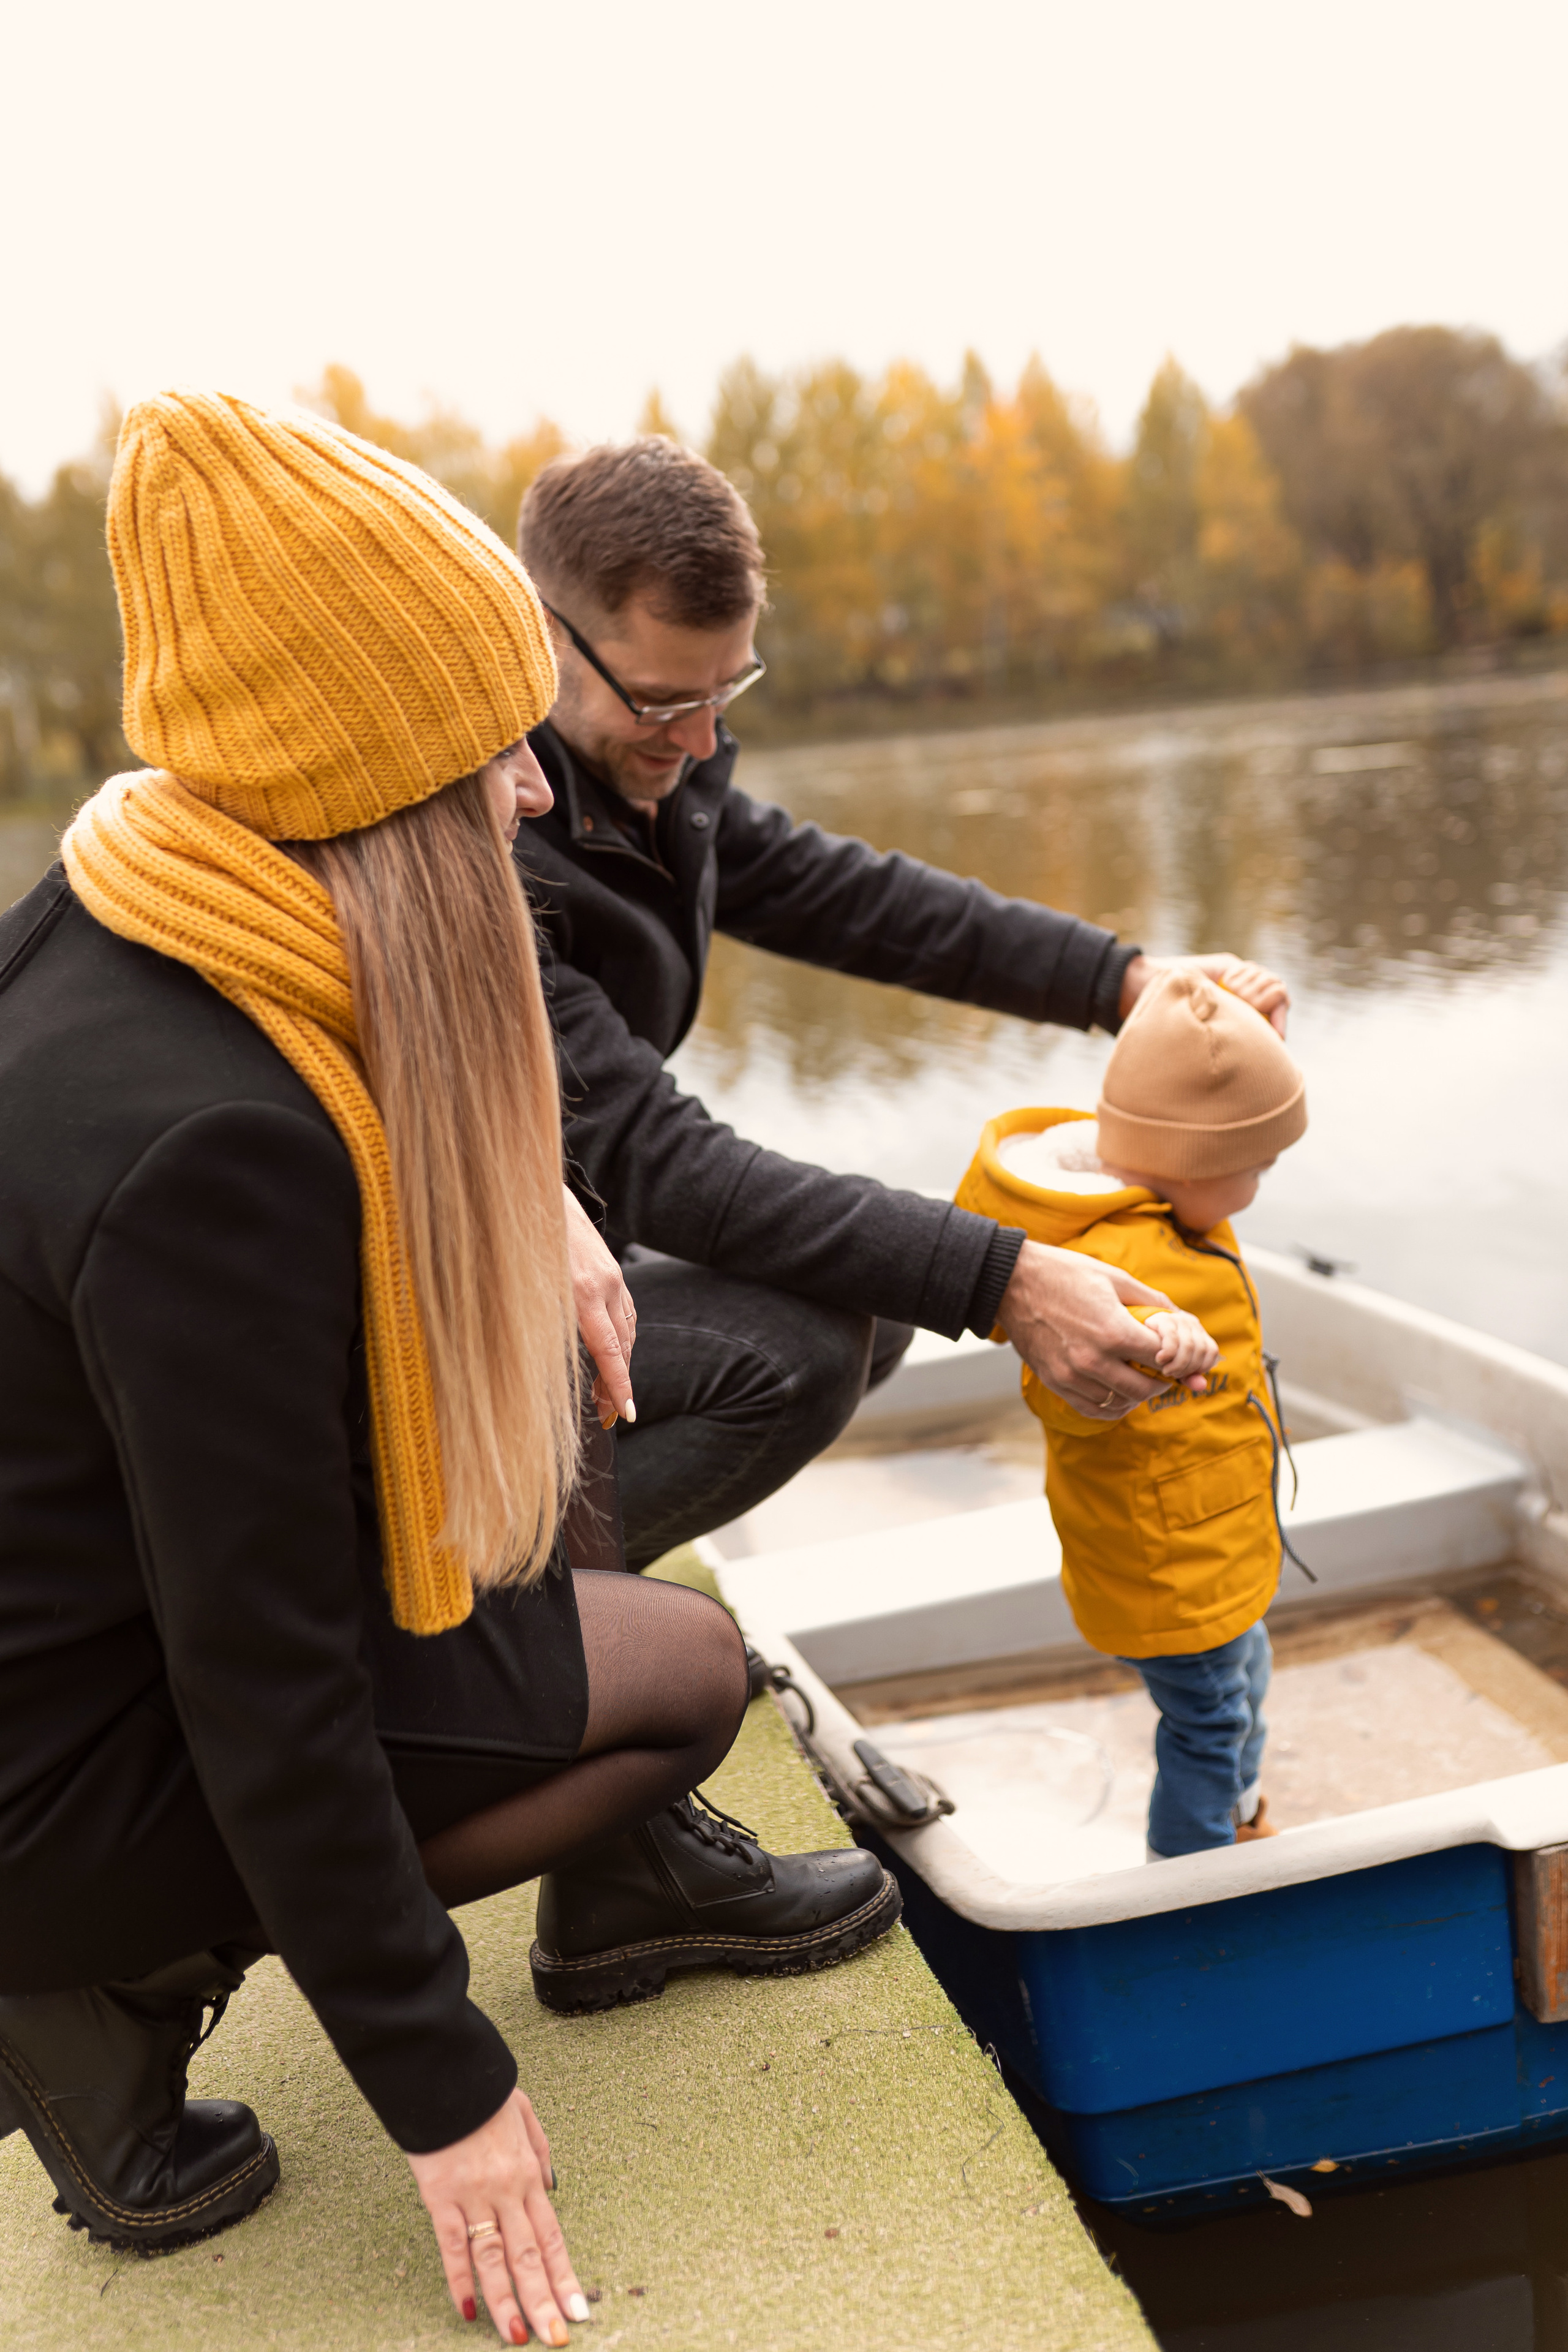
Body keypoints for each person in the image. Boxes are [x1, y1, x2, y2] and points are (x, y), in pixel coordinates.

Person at [0, 393, 896, 2331]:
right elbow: (262, 1671)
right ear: (359, 768)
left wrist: (533, 1204)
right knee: (684, 1680)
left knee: (558, 1418)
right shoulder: (203, 1146)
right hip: (52, 1780)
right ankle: (107, 1984)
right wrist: (444, 2083)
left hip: (72, 1656)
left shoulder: (138, 907)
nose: (530, 792)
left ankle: (605, 1887)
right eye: (487, 746)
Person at [511, 437, 1292, 1567]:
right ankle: (477, 1632)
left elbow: (855, 900)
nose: (704, 738)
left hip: (570, 1259)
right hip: (425, 1316)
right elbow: (656, 1160)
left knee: (869, 1310)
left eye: (729, 689)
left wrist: (1125, 981)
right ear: (541, 634)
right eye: (665, 700)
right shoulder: (484, 831)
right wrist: (1006, 1277)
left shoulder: (650, 770)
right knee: (803, 1350)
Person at [954, 970, 1309, 1859]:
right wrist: (1153, 1346)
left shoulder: (1175, 1204)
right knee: (1208, 1725)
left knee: (1245, 1680)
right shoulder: (1109, 1263)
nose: (1260, 1183)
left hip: (1216, 1539)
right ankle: (1192, 1874)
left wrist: (1242, 1031)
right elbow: (1064, 1394)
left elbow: (1200, 1108)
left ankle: (1237, 1817)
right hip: (1165, 1562)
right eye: (1257, 1166)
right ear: (1197, 1163)